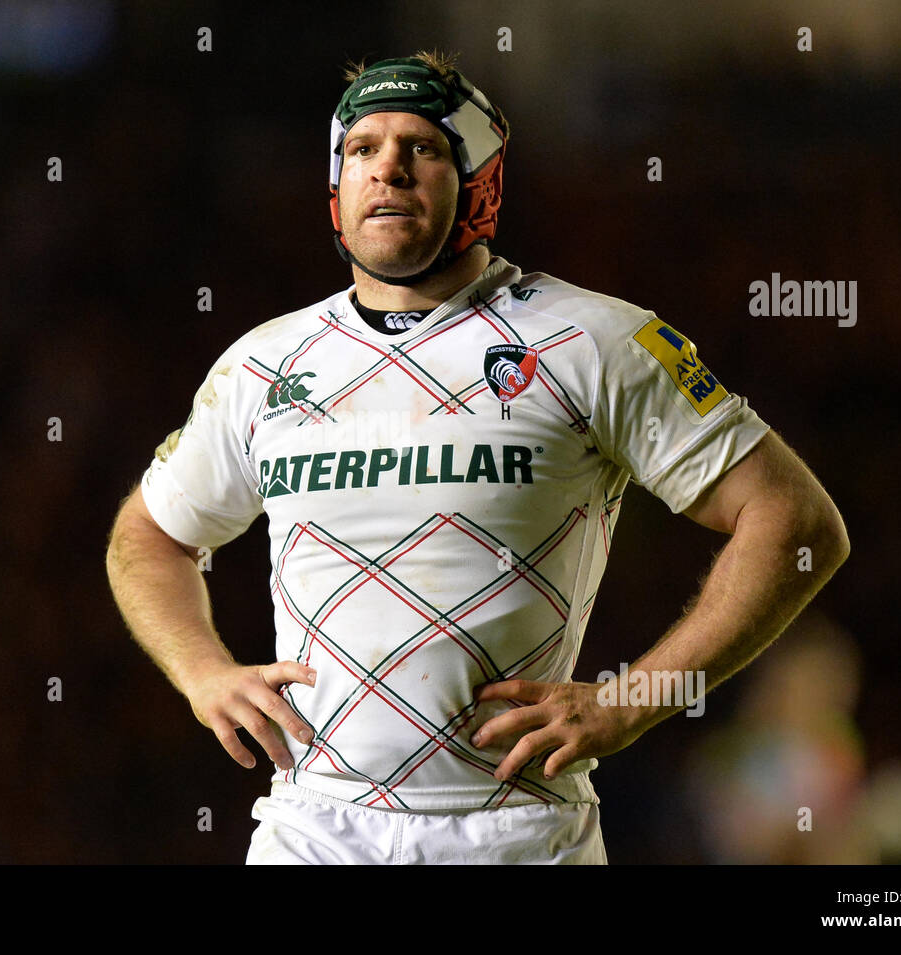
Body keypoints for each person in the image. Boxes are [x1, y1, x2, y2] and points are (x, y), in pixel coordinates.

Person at [106, 51, 850, 864]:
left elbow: (796, 520)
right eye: (361, 149)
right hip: (313, 825)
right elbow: (148, 535)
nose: (385, 166)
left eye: (421, 147)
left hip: (515, 829)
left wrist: (631, 700)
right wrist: (202, 670)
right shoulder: (263, 364)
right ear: (336, 185)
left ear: (480, 181)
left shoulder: (594, 340)